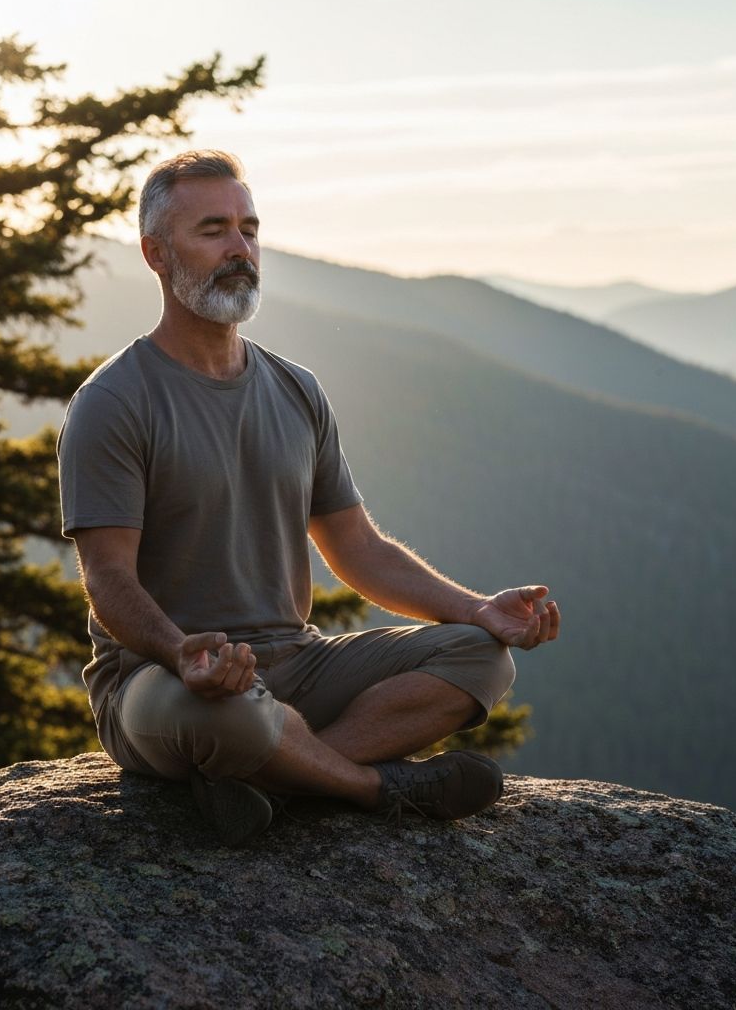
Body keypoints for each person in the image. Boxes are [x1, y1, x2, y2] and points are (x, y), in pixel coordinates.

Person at [57, 150, 560, 847]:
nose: (240, 248)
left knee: (482, 659)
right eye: (213, 230)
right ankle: (373, 788)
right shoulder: (114, 401)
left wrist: (478, 610)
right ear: (156, 254)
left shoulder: (296, 390)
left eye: (249, 228)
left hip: (295, 660)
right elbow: (107, 578)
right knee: (231, 717)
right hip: (160, 680)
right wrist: (180, 654)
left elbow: (358, 548)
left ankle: (274, 779)